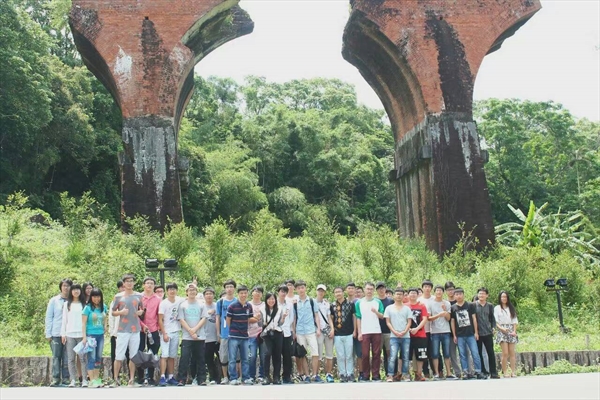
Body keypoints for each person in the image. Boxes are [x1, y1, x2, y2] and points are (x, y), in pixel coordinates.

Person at [111, 274, 144, 387]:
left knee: (133, 356)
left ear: (134, 283)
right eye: (127, 281)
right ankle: (116, 379)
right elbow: (113, 312)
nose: (129, 283)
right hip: (122, 330)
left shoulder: (139, 296)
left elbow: (142, 310)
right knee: (119, 356)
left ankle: (131, 379)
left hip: (135, 329)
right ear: (123, 283)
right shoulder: (118, 297)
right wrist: (121, 312)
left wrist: (141, 312)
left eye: (131, 281)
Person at [226, 285, 259, 385]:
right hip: (233, 336)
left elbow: (249, 319)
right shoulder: (232, 306)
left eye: (245, 293)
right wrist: (233, 330)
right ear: (238, 294)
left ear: (247, 294)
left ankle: (245, 378)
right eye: (241, 293)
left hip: (245, 336)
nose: (243, 295)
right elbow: (228, 320)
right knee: (232, 359)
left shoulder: (249, 306)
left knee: (245, 359)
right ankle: (233, 378)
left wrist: (257, 318)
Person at [177, 284, 208, 386]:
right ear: (186, 292)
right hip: (186, 337)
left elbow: (204, 318)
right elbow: (181, 319)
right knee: (184, 358)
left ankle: (201, 379)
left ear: (196, 292)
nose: (192, 292)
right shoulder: (183, 305)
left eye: (194, 290)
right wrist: (190, 331)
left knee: (200, 358)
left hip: (200, 336)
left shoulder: (201, 305)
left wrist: (195, 330)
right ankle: (181, 379)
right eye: (190, 290)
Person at [450, 288, 485, 380]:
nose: (459, 296)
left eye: (460, 294)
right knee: (462, 354)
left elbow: (474, 318)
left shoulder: (470, 305)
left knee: (475, 353)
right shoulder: (453, 307)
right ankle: (465, 372)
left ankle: (478, 371)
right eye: (457, 294)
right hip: (459, 335)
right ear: (454, 296)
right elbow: (452, 322)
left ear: (463, 295)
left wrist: (476, 332)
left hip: (470, 334)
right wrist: (454, 335)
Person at [293, 280, 322, 383]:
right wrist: (294, 332)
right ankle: (307, 376)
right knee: (302, 354)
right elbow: (294, 318)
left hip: (311, 330)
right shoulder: (295, 303)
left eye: (302, 287)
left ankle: (315, 375)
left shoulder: (312, 301)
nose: (301, 290)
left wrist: (318, 328)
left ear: (305, 288)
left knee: (315, 352)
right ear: (296, 290)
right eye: (298, 288)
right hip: (300, 331)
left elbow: (316, 315)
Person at [355, 282, 384, 382]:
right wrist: (359, 332)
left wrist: (376, 312)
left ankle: (376, 375)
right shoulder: (359, 302)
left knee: (376, 353)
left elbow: (382, 316)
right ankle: (366, 375)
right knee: (365, 354)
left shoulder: (378, 302)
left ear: (374, 290)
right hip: (365, 331)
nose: (369, 291)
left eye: (371, 289)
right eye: (368, 289)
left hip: (376, 330)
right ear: (364, 290)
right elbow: (358, 317)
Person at [45, 278, 72, 386]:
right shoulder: (54, 300)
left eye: (68, 286)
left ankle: (66, 378)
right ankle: (55, 378)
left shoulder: (73, 301)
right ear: (61, 287)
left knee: (67, 357)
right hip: (56, 333)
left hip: (69, 333)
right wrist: (48, 333)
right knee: (56, 356)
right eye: (64, 285)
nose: (66, 288)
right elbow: (49, 317)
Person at [61, 283, 88, 387]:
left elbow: (86, 321)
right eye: (74, 289)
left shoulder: (84, 304)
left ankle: (84, 379)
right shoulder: (67, 304)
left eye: (78, 289)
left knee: (83, 358)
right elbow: (64, 320)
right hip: (70, 334)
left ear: (80, 291)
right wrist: (63, 334)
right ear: (71, 291)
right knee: (71, 359)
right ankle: (72, 380)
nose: (76, 291)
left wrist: (86, 335)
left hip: (81, 334)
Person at [427, 285, 456, 380]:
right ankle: (436, 373)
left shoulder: (447, 303)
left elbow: (448, 318)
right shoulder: (430, 304)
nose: (439, 292)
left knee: (446, 353)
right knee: (435, 354)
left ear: (443, 292)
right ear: (434, 292)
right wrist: (439, 315)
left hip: (446, 331)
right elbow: (429, 318)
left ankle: (449, 373)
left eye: (440, 291)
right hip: (434, 332)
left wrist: (445, 311)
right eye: (437, 290)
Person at [158, 283, 184, 386]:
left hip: (176, 331)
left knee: (172, 356)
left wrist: (193, 284)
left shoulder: (179, 300)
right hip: (166, 331)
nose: (172, 291)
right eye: (170, 289)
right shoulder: (163, 303)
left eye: (174, 289)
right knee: (164, 355)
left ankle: (170, 376)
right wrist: (164, 333)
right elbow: (160, 320)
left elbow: (190, 297)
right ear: (167, 291)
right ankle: (162, 377)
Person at [384, 288, 412, 382]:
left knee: (405, 357)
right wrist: (394, 331)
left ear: (403, 296)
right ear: (394, 296)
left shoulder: (407, 308)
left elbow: (409, 322)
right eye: (397, 294)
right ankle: (390, 375)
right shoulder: (389, 308)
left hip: (406, 336)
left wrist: (404, 331)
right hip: (393, 336)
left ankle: (405, 374)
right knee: (392, 356)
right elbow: (388, 322)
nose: (399, 296)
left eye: (401, 294)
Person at [137, 277, 161, 385]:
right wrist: (142, 325)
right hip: (140, 330)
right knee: (140, 353)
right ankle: (140, 377)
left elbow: (159, 316)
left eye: (152, 283)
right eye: (147, 283)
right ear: (143, 285)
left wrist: (158, 328)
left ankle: (151, 377)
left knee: (153, 353)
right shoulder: (138, 298)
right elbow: (135, 314)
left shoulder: (158, 299)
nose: (149, 285)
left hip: (153, 330)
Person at [330, 286, 356, 383]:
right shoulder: (332, 305)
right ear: (334, 294)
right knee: (340, 355)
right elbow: (331, 318)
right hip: (337, 334)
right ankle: (342, 374)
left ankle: (350, 373)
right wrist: (332, 329)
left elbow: (354, 317)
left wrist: (355, 330)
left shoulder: (350, 304)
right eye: (336, 292)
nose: (338, 294)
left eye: (339, 291)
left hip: (349, 333)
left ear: (343, 292)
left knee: (349, 355)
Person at [82, 288, 107, 388]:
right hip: (90, 335)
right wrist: (84, 337)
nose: (96, 299)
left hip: (100, 335)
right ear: (91, 297)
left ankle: (97, 379)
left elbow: (105, 317)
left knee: (98, 358)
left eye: (98, 296)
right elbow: (83, 323)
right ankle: (91, 380)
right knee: (91, 357)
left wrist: (105, 326)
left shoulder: (103, 307)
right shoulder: (87, 308)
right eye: (94, 296)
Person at [260, 292, 286, 385]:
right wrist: (261, 321)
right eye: (269, 299)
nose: (271, 301)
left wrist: (283, 318)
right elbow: (260, 324)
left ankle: (276, 377)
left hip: (277, 333)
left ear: (275, 300)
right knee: (267, 354)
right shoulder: (262, 309)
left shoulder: (279, 309)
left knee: (277, 355)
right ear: (266, 300)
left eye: (273, 299)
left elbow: (280, 323)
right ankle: (266, 377)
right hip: (267, 333)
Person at [215, 279, 238, 384]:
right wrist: (218, 333)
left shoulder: (238, 301)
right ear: (224, 289)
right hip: (224, 333)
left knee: (236, 356)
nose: (229, 289)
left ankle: (237, 377)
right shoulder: (220, 302)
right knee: (224, 356)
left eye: (231, 287)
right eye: (227, 287)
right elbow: (217, 318)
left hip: (236, 333)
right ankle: (225, 377)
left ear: (234, 288)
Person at [476, 287, 499, 379]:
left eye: (483, 293)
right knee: (479, 353)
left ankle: (493, 372)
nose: (481, 295)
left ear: (487, 295)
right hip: (478, 333)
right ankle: (483, 372)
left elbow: (492, 318)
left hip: (488, 332)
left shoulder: (490, 306)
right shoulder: (473, 305)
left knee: (491, 353)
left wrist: (493, 327)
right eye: (480, 293)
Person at [494, 291, 519, 378]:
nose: (504, 298)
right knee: (505, 353)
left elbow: (515, 321)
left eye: (505, 297)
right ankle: (505, 372)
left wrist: (514, 331)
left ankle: (513, 371)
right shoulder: (497, 308)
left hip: (511, 329)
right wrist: (502, 329)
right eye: (502, 297)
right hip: (502, 330)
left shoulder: (511, 308)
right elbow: (496, 321)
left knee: (512, 353)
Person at [407, 287, 429, 381]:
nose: (413, 295)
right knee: (406, 355)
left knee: (421, 354)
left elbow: (425, 319)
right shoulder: (405, 306)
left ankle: (419, 374)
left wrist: (416, 329)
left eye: (414, 293)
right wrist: (408, 329)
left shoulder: (422, 305)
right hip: (407, 335)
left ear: (418, 295)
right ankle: (406, 374)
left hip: (420, 334)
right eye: (411, 293)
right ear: (408, 295)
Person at [315, 284, 335, 382]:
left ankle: (329, 374)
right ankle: (317, 375)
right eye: (319, 290)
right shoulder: (312, 302)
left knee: (329, 354)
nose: (320, 292)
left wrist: (332, 329)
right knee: (318, 355)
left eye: (322, 291)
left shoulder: (327, 304)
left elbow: (329, 317)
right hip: (318, 331)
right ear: (316, 291)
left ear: (325, 292)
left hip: (327, 330)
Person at [277, 285, 294, 384]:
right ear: (278, 292)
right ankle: (276, 376)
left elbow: (291, 318)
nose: (283, 293)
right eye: (282, 291)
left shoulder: (289, 304)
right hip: (277, 332)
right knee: (277, 355)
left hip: (287, 332)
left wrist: (287, 326)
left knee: (287, 356)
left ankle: (287, 376)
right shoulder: (274, 303)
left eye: (285, 292)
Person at [375, 282, 394, 378]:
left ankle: (390, 374)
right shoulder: (374, 301)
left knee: (389, 354)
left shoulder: (391, 301)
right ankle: (376, 375)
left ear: (385, 289)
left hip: (389, 331)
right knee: (377, 354)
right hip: (377, 332)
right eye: (379, 288)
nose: (381, 290)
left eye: (382, 288)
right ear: (376, 290)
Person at [203, 287, 221, 384]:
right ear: (204, 296)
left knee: (222, 358)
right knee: (209, 359)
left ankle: (224, 376)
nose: (209, 296)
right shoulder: (201, 306)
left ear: (214, 295)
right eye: (207, 294)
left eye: (211, 294)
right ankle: (212, 377)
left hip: (218, 337)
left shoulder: (217, 305)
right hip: (206, 337)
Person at [418, 280, 436, 378]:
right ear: (422, 288)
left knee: (434, 352)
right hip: (423, 330)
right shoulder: (419, 300)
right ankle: (426, 373)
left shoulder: (434, 299)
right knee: (423, 352)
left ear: (431, 288)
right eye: (425, 286)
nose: (427, 288)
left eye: (429, 286)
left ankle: (437, 372)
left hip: (434, 330)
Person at [248, 286, 265, 383]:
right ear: (252, 293)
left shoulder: (264, 305)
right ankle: (251, 376)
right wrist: (256, 318)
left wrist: (255, 318)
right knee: (252, 356)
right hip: (251, 334)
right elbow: (246, 319)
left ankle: (261, 375)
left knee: (263, 356)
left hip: (263, 335)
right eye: (255, 291)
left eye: (259, 292)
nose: (257, 293)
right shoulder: (248, 304)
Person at [445, 281, 461, 377]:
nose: (450, 291)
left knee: (465, 352)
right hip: (449, 332)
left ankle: (468, 371)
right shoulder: (445, 303)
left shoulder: (459, 301)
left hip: (462, 332)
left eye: (452, 289)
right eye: (448, 290)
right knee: (452, 354)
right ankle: (457, 372)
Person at [346, 282, 362, 379]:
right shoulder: (344, 301)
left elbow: (358, 316)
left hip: (359, 331)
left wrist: (357, 330)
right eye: (349, 288)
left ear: (355, 290)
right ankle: (349, 374)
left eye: (352, 288)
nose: (351, 290)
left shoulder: (359, 302)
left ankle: (361, 373)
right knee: (348, 354)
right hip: (346, 332)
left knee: (360, 353)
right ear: (346, 290)